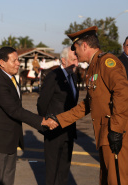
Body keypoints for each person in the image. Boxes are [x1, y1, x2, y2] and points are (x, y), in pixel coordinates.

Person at [50, 26, 128, 185]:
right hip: (105, 135)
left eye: (75, 47)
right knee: (107, 180)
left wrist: (116, 130)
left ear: (84, 45)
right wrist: (59, 120)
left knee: (117, 180)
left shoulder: (107, 62)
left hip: (114, 134)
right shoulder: (93, 67)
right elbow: (88, 104)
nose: (75, 52)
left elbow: (123, 92)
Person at [0, 46, 58, 185]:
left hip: (9, 140)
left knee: (8, 180)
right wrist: (42, 121)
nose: (18, 63)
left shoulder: (12, 79)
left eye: (18, 60)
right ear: (2, 63)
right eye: (14, 60)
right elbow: (14, 110)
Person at [37, 46, 79, 185]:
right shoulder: (53, 76)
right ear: (63, 60)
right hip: (54, 132)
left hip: (69, 132)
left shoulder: (73, 76)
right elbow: (42, 103)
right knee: (52, 173)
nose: (77, 63)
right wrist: (47, 122)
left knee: (64, 172)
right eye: (73, 59)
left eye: (77, 59)